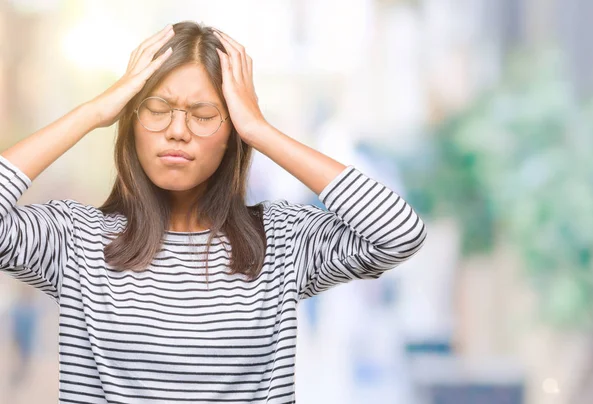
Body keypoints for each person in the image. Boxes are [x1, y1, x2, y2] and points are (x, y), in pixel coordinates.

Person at [0, 20, 427, 403]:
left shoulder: (279, 241)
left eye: (204, 115)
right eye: (157, 109)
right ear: (130, 121)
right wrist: (94, 112)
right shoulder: (76, 239)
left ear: (231, 135)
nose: (178, 130)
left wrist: (261, 130)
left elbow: (399, 232)